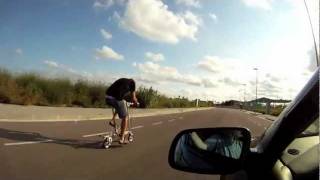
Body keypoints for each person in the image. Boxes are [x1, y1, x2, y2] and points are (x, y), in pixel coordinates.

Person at [105, 78, 138, 144]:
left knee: (121, 105)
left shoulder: (123, 80)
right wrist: (136, 102)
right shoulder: (130, 85)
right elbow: (133, 97)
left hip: (107, 98)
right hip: (115, 99)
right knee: (125, 117)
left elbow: (119, 93)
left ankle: (112, 120)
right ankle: (122, 138)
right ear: (132, 85)